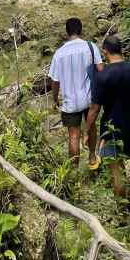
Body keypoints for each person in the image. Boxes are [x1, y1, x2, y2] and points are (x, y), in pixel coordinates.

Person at [84, 34, 130, 197]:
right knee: (125, 165)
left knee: (117, 174)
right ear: (121, 50)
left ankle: (123, 213)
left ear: (105, 51)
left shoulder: (102, 76)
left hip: (111, 129)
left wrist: (87, 131)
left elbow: (94, 109)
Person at [48, 17, 104, 167]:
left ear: (67, 33)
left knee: (73, 135)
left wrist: (55, 99)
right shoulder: (90, 47)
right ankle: (92, 157)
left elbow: (55, 81)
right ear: (80, 31)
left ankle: (74, 169)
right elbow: (101, 70)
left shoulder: (59, 54)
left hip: (69, 102)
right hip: (89, 99)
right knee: (91, 127)